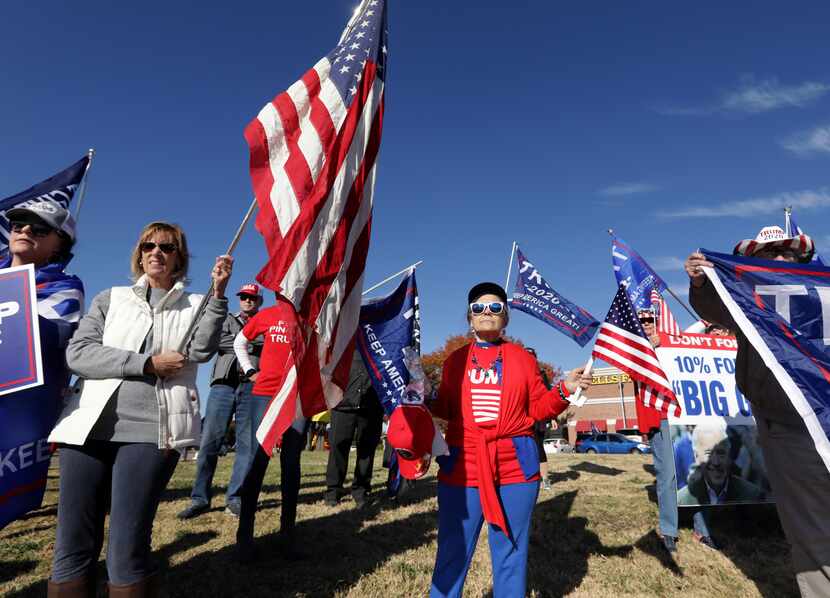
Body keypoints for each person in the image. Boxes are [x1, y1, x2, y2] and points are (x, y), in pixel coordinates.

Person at [47, 221, 232, 597]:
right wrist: (146, 364)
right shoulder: (110, 298)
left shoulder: (195, 304)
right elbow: (79, 355)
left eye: (167, 246)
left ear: (179, 257)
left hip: (151, 430)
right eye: (149, 245)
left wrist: (218, 295)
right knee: (71, 541)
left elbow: (199, 351)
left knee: (127, 544)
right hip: (86, 429)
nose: (156, 252)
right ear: (139, 253)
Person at [686, 225, 830, 596]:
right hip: (788, 425)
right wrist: (702, 282)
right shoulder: (749, 298)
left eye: (787, 253)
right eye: (766, 257)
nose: (779, 260)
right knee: (812, 526)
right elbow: (712, 307)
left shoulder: (822, 292)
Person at [426, 282, 592, 598]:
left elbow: (539, 407)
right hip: (464, 465)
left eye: (495, 307)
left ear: (506, 318)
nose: (486, 312)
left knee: (511, 552)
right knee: (452, 549)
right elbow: (444, 407)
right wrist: (420, 394)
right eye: (478, 308)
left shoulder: (522, 358)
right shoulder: (454, 360)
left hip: (515, 465)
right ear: (469, 318)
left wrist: (565, 389)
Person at [0, 202, 84, 526]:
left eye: (38, 229)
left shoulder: (66, 287)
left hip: (18, 414)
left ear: (59, 243)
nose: (24, 231)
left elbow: (50, 337)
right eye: (19, 224)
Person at [177, 283, 264, 520]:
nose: (248, 301)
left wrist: (240, 341)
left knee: (247, 444)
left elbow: (265, 346)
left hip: (252, 385)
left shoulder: (265, 322)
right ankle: (200, 498)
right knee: (209, 442)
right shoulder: (226, 319)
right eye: (244, 297)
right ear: (239, 299)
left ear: (259, 301)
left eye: (252, 298)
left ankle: (236, 498)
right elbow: (217, 342)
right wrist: (250, 343)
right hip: (223, 384)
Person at [633, 309, 717, 552]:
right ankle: (669, 529)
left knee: (698, 472)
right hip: (659, 418)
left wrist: (704, 322)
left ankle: (702, 531)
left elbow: (691, 341)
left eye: (651, 321)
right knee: (667, 475)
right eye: (643, 322)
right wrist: (650, 346)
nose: (648, 325)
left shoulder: (670, 343)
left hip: (687, 416)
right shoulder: (635, 350)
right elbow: (635, 372)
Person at [232, 293, 307, 561]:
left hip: (295, 396)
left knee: (291, 462)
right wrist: (251, 371)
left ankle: (288, 535)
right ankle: (244, 538)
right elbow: (239, 342)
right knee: (257, 460)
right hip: (263, 394)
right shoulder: (266, 315)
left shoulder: (310, 318)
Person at [324, 350, 384, 507]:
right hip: (343, 403)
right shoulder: (344, 338)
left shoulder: (380, 344)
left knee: (366, 450)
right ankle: (333, 491)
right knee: (338, 446)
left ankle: (361, 491)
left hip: (372, 405)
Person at [677, 422, 763, 506]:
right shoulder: (680, 502)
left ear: (729, 456)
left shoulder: (752, 496)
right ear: (696, 456)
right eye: (709, 453)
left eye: (721, 453)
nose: (716, 462)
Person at [524, 347, 552, 491]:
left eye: (531, 357)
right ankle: (526, 479)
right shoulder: (515, 372)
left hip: (537, 417)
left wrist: (552, 417)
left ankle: (545, 479)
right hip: (519, 417)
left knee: (538, 447)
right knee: (523, 448)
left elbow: (548, 395)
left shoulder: (540, 374)